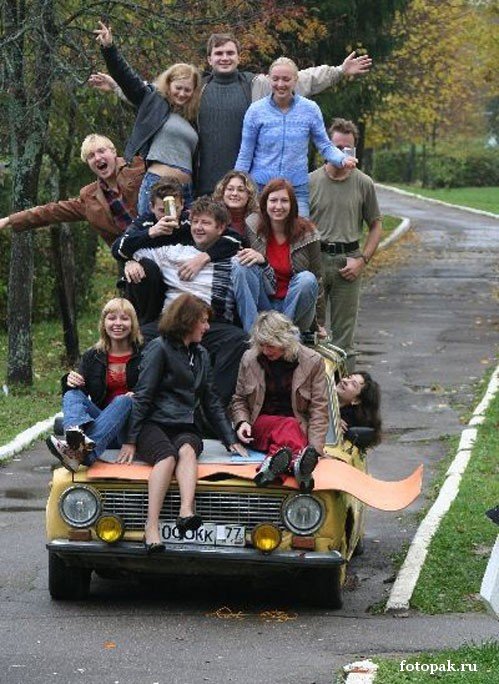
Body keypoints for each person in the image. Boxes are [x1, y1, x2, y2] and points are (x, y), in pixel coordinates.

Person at [90, 32, 371, 197]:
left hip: (246, 188)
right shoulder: (197, 89)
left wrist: (338, 71)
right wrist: (117, 87)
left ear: (238, 56)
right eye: (219, 53)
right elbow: (153, 98)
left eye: (229, 53)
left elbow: (300, 79)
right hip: (203, 185)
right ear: (209, 58)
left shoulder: (255, 85)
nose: (224, 57)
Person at [122, 294, 246, 552]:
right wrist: (131, 440)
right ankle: (151, 527)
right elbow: (143, 396)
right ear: (188, 321)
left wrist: (230, 438)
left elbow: (211, 400)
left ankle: (186, 512)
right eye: (203, 321)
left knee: (188, 451)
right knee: (167, 457)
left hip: (185, 425)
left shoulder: (201, 354)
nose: (207, 327)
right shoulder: (159, 348)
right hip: (154, 423)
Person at [125, 197, 274, 405]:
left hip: (212, 324)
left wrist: (263, 261)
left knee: (239, 341)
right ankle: (140, 402)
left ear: (220, 228)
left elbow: (269, 286)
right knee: (136, 337)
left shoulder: (235, 258)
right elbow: (126, 248)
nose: (198, 227)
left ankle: (211, 407)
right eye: (195, 222)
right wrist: (130, 261)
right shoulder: (173, 251)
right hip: (172, 322)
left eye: (205, 223)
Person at [94, 22, 201, 212]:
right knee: (160, 229)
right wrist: (109, 49)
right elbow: (128, 78)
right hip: (161, 186)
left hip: (186, 191)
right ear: (168, 84)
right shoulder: (153, 100)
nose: (182, 93)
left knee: (188, 232)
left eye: (187, 90)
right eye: (178, 88)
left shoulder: (192, 117)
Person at [235, 58, 357, 216]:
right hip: (260, 188)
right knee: (257, 231)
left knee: (302, 231)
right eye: (275, 79)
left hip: (296, 189)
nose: (280, 84)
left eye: (286, 79)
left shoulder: (310, 109)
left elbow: (325, 146)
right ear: (269, 79)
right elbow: (245, 153)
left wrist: (342, 159)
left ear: (295, 80)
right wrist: (237, 182)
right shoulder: (255, 111)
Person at [112, 178, 242, 325]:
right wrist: (149, 234)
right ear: (152, 207)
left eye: (174, 210)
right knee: (143, 269)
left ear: (182, 206)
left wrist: (204, 257)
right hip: (151, 285)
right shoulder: (144, 223)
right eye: (162, 210)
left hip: (181, 280)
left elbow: (234, 239)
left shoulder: (190, 222)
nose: (168, 216)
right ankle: (144, 324)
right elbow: (118, 248)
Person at [309, 118, 383, 372]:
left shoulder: (363, 183)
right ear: (326, 147)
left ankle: (345, 389)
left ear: (354, 150)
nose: (341, 152)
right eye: (336, 147)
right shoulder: (310, 181)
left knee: (344, 338)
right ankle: (315, 388)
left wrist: (363, 260)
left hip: (348, 262)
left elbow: (376, 225)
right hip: (315, 260)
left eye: (347, 148)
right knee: (312, 332)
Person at [231, 311, 328, 492]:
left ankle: (272, 468)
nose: (265, 351)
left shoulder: (313, 362)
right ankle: (300, 467)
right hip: (260, 425)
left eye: (271, 346)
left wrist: (315, 450)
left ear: (286, 342)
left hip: (298, 431)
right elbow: (239, 399)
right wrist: (242, 422)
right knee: (289, 425)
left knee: (290, 431)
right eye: (261, 345)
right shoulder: (249, 358)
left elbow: (319, 409)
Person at [45, 298, 142, 472]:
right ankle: (75, 437)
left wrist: (138, 395)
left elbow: (156, 390)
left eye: (124, 318)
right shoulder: (93, 355)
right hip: (104, 426)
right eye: (111, 318)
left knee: (124, 400)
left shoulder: (146, 353)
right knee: (72, 394)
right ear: (104, 323)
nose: (117, 323)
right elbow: (78, 395)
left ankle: (82, 453)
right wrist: (71, 381)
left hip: (131, 431)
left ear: (133, 323)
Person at [0, 134, 144, 247]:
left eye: (101, 151)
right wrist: (8, 220)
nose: (97, 158)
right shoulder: (89, 198)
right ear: (88, 163)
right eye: (91, 156)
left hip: (156, 236)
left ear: (113, 152)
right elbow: (51, 211)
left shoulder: (138, 166)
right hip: (136, 257)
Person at [239, 178, 325, 335]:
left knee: (307, 278)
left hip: (295, 305)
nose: (278, 206)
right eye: (273, 200)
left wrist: (320, 323)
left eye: (284, 201)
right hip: (264, 302)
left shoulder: (308, 234)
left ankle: (282, 334)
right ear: (264, 203)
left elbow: (317, 278)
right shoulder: (252, 226)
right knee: (241, 265)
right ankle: (252, 334)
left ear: (292, 205)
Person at [337, 371, 382, 445]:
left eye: (353, 384)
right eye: (348, 377)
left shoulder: (347, 424)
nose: (345, 381)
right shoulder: (320, 389)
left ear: (356, 400)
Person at [212, 170, 259, 238]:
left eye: (241, 190)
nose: (234, 193)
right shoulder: (213, 217)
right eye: (230, 189)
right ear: (222, 192)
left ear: (249, 195)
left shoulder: (258, 220)